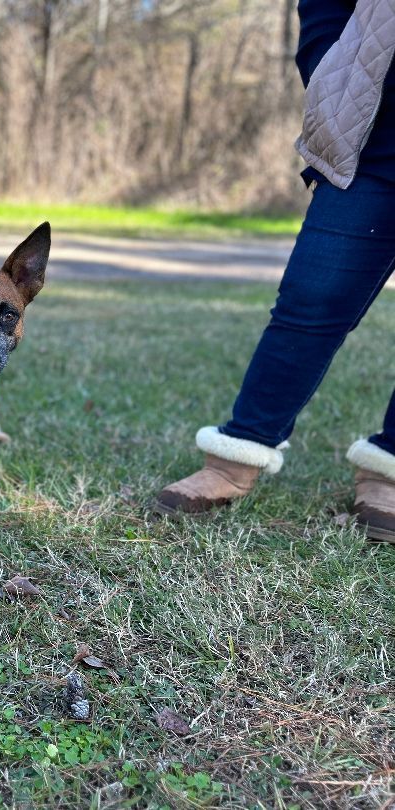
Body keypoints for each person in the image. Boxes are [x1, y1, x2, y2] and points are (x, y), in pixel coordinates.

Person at [154, 0, 395, 543]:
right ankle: (234, 461)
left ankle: (390, 467)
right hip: (376, 143)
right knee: (310, 300)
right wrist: (332, 72)